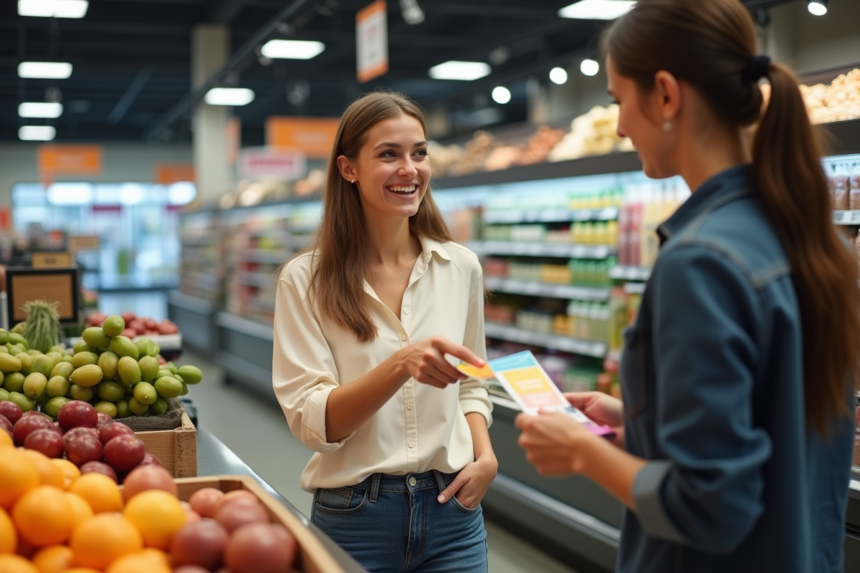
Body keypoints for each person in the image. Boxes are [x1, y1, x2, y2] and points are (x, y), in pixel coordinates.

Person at [515, 1, 860, 572]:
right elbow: (781, 427)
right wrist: (642, 422)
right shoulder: (806, 235)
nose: (621, 125)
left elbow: (712, 507)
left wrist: (580, 452)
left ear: (666, 96)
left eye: (620, 100)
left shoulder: (700, 261)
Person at [272, 91, 496, 573]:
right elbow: (315, 422)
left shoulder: (460, 268)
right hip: (355, 516)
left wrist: (486, 456)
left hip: (453, 510)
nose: (409, 169)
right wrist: (400, 364)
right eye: (388, 154)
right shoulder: (305, 280)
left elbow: (473, 379)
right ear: (348, 168)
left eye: (419, 153)